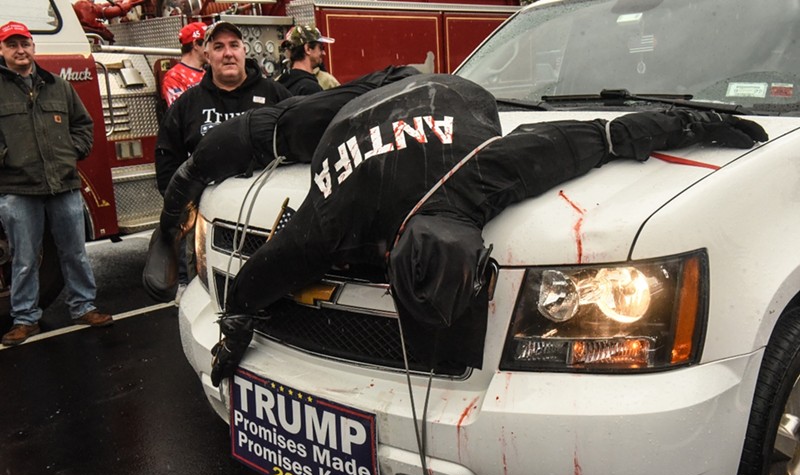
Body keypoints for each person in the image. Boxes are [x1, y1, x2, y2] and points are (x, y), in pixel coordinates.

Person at [143, 73, 767, 385]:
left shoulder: (474, 181)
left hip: (451, 98)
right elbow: (266, 273)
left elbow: (602, 136)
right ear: (386, 253)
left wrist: (697, 123)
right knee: (236, 143)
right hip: (355, 111)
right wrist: (233, 331)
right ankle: (165, 221)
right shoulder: (336, 214)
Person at [154, 20, 292, 299]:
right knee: (210, 297)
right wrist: (179, 204)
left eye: (234, 45)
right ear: (207, 55)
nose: (227, 53)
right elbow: (167, 156)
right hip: (210, 224)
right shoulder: (188, 104)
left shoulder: (275, 95)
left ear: (244, 51)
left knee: (275, 292)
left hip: (268, 220)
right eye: (218, 47)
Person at [0, 21, 114, 346]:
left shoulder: (58, 85)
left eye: (25, 43)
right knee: (24, 258)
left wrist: (70, 153)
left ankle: (83, 307)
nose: (20, 50)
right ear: (2, 50)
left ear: (34, 47)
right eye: (12, 45)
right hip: (18, 189)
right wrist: (8, 159)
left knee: (75, 253)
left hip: (63, 184)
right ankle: (25, 319)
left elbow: (83, 124)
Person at [277, 24, 334, 95]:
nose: (323, 53)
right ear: (307, 49)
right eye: (321, 47)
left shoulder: (279, 85)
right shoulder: (311, 88)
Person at [161, 21, 207, 107]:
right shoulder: (174, 77)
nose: (211, 49)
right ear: (196, 44)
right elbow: (179, 111)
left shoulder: (207, 74)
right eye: (208, 44)